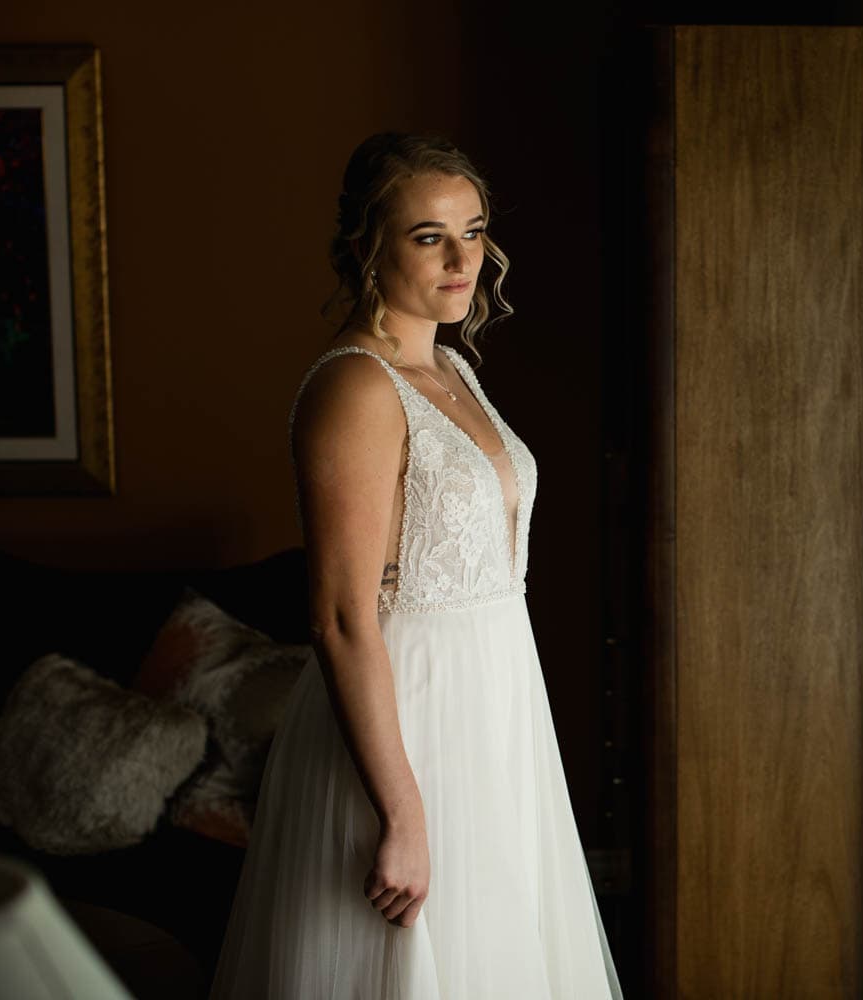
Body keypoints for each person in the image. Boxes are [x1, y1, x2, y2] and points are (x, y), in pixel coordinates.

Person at [209, 133, 623, 999]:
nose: (461, 257)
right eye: (428, 235)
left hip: (499, 713)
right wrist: (401, 813)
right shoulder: (355, 387)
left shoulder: (452, 366)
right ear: (368, 245)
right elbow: (339, 616)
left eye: (472, 231)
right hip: (416, 724)